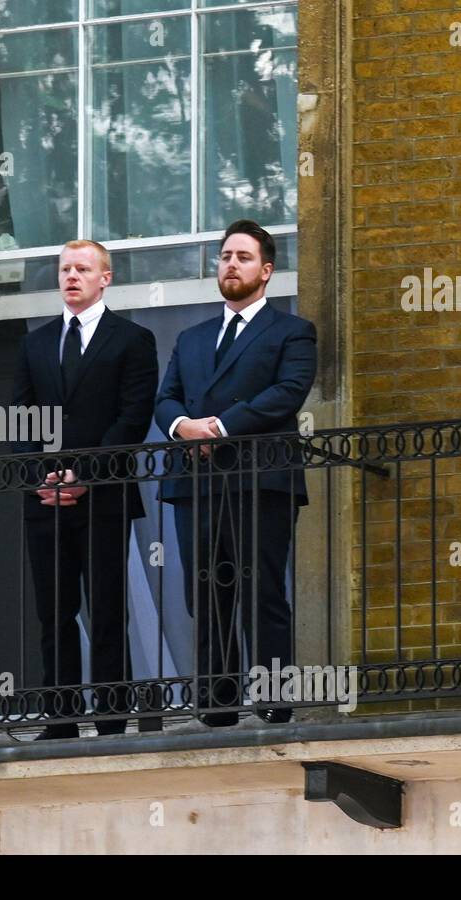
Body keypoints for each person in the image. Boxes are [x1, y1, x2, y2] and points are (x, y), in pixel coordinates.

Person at [154, 219, 315, 726]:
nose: (230, 264)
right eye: (225, 256)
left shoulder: (292, 331)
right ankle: (216, 706)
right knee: (205, 591)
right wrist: (184, 426)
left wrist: (220, 426)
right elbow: (166, 398)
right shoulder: (193, 336)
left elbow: (288, 392)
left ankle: (273, 701)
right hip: (195, 483)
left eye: (243, 257)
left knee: (261, 589)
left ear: (266, 270)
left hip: (259, 481)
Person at [11, 240, 158, 739]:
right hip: (45, 500)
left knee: (107, 608)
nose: (71, 276)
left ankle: (112, 718)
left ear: (105, 278)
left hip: (106, 496)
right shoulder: (35, 343)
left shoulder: (132, 339)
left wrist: (86, 474)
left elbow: (132, 417)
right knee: (54, 613)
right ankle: (61, 718)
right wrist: (41, 476)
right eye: (65, 269)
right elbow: (20, 418)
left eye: (82, 268)